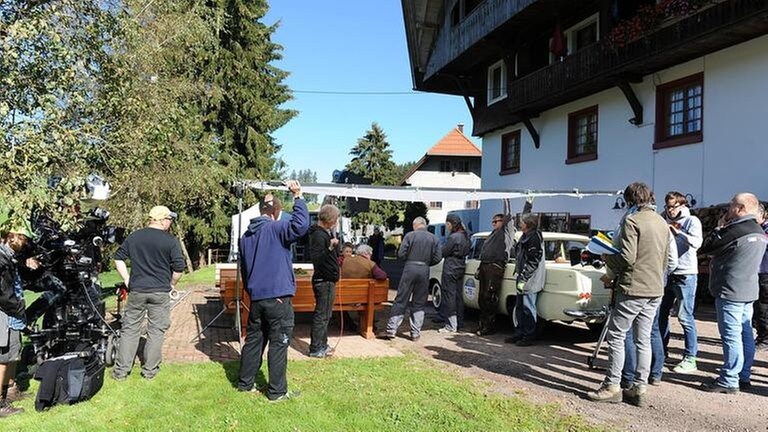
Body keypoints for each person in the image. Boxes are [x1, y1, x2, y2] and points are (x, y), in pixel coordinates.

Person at [587, 182, 671, 407]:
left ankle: (612, 386)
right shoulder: (662, 222)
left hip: (633, 286)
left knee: (616, 336)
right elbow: (668, 259)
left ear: (629, 200)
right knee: (643, 338)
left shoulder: (631, 220)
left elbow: (626, 257)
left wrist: (605, 257)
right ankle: (639, 388)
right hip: (655, 288)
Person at [237, 181, 308, 401]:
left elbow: (246, 269)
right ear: (276, 213)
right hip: (278, 297)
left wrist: (252, 290)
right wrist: (298, 197)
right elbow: (301, 226)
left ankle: (245, 383)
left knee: (254, 341)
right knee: (279, 342)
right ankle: (277, 391)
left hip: (257, 297)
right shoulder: (277, 228)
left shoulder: (245, 237)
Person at [699, 193, 767, 393]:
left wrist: (719, 227)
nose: (728, 210)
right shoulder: (759, 230)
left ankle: (729, 379)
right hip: (749, 289)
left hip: (731, 290)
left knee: (731, 336)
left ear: (741, 208)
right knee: (746, 333)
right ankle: (743, 375)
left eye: (731, 206)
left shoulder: (735, 230)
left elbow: (707, 247)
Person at [112, 205, 185, 381]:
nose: (170, 222)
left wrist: (128, 279)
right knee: (156, 331)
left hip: (137, 290)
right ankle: (149, 371)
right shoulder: (170, 241)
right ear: (160, 220)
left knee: (129, 329)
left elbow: (118, 258)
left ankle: (121, 372)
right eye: (169, 219)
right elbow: (179, 268)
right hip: (160, 292)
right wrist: (171, 284)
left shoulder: (135, 237)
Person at [658, 191, 702, 373]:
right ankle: (661, 351)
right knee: (660, 313)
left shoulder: (692, 221)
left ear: (682, 206)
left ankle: (690, 358)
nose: (670, 210)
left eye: (673, 207)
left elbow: (697, 243)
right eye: (667, 206)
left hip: (686, 274)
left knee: (685, 317)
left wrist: (679, 233)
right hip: (667, 272)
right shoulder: (661, 219)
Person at [378, 217, 441, 342]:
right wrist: (427, 263)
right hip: (424, 269)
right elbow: (438, 257)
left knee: (401, 299)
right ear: (425, 225)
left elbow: (401, 254)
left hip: (410, 268)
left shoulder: (410, 236)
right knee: (419, 302)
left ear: (415, 225)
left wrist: (409, 260)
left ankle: (391, 330)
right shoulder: (434, 238)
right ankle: (415, 333)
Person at [0, 222, 34, 418]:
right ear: (12, 237)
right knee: (2, 358)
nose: (25, 242)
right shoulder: (1, 258)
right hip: (5, 312)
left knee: (13, 353)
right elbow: (2, 292)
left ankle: (9, 390)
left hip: (12, 312)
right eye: (22, 238)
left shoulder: (10, 257)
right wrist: (18, 307)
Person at [475, 199, 515, 336]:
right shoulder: (492, 234)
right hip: (485, 266)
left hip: (495, 266)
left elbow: (508, 215)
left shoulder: (507, 231)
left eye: (496, 221)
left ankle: (489, 326)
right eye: (492, 221)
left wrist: (506, 200)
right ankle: (482, 324)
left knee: (489, 297)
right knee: (481, 298)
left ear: (502, 222)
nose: (493, 223)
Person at [505, 213, 544, 346]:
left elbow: (534, 261)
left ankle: (528, 336)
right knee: (520, 307)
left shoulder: (534, 238)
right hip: (523, 276)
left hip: (530, 279)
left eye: (522, 222)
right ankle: (519, 333)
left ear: (527, 225)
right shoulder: (526, 235)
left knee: (528, 308)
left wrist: (524, 277)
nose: (519, 223)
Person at [308, 204, 341, 359]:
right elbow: (317, 258)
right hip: (324, 280)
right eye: (335, 219)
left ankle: (322, 344)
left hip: (327, 279)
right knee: (322, 315)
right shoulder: (319, 235)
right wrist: (330, 247)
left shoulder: (322, 234)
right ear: (331, 219)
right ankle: (315, 347)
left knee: (325, 314)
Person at [437, 214, 471, 334]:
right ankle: (459, 322)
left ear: (451, 224)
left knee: (449, 296)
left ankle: (451, 325)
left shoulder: (453, 237)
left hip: (450, 267)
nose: (447, 227)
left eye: (447, 224)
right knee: (458, 296)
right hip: (461, 266)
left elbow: (444, 252)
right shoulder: (466, 236)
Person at [755, 204, 768, 352]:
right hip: (756, 272)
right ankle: (761, 335)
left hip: (765, 273)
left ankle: (764, 338)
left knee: (763, 308)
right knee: (758, 308)